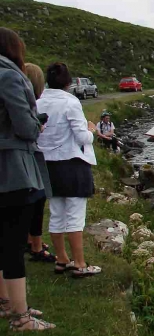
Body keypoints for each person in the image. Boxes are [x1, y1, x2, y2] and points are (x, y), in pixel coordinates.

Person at [0, 27, 55, 331]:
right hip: (12, 167)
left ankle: (5, 302)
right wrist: (37, 126)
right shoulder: (9, 75)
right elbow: (24, 126)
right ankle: (21, 317)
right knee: (13, 239)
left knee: (3, 238)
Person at [37, 62, 101, 278]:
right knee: (74, 215)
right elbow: (82, 137)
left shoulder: (38, 102)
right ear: (68, 82)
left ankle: (62, 258)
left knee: (56, 214)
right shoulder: (70, 103)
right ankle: (80, 263)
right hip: (72, 164)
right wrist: (92, 130)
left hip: (48, 165)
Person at [23, 62, 56, 263]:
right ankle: (35, 246)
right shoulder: (27, 103)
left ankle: (30, 240)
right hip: (28, 158)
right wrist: (38, 127)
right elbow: (27, 131)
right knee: (36, 199)